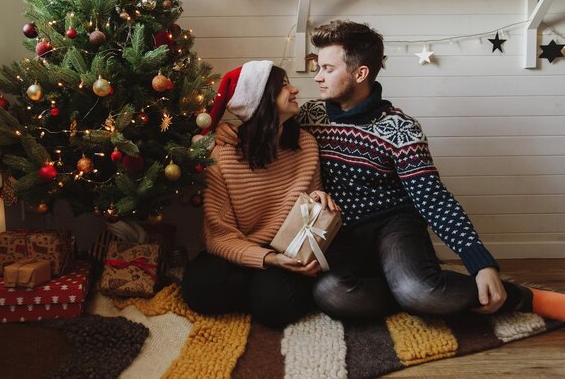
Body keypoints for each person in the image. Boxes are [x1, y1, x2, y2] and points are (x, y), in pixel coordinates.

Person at [213, 20, 565, 323]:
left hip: (392, 224)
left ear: (360, 73)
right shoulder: (310, 117)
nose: (316, 77)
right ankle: (403, 290)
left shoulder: (400, 128)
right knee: (333, 294)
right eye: (317, 66)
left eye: (328, 69)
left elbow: (433, 199)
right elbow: (264, 129)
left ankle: (523, 298)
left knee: (419, 291)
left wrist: (481, 262)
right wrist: (227, 130)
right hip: (337, 232)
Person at [182, 60, 339, 328]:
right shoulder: (223, 154)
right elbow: (219, 236)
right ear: (261, 100)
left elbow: (312, 199)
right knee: (199, 289)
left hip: (285, 248)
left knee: (273, 308)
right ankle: (264, 286)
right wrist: (266, 260)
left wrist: (318, 199)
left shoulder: (306, 145)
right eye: (284, 86)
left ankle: (266, 291)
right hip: (241, 247)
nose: (295, 90)